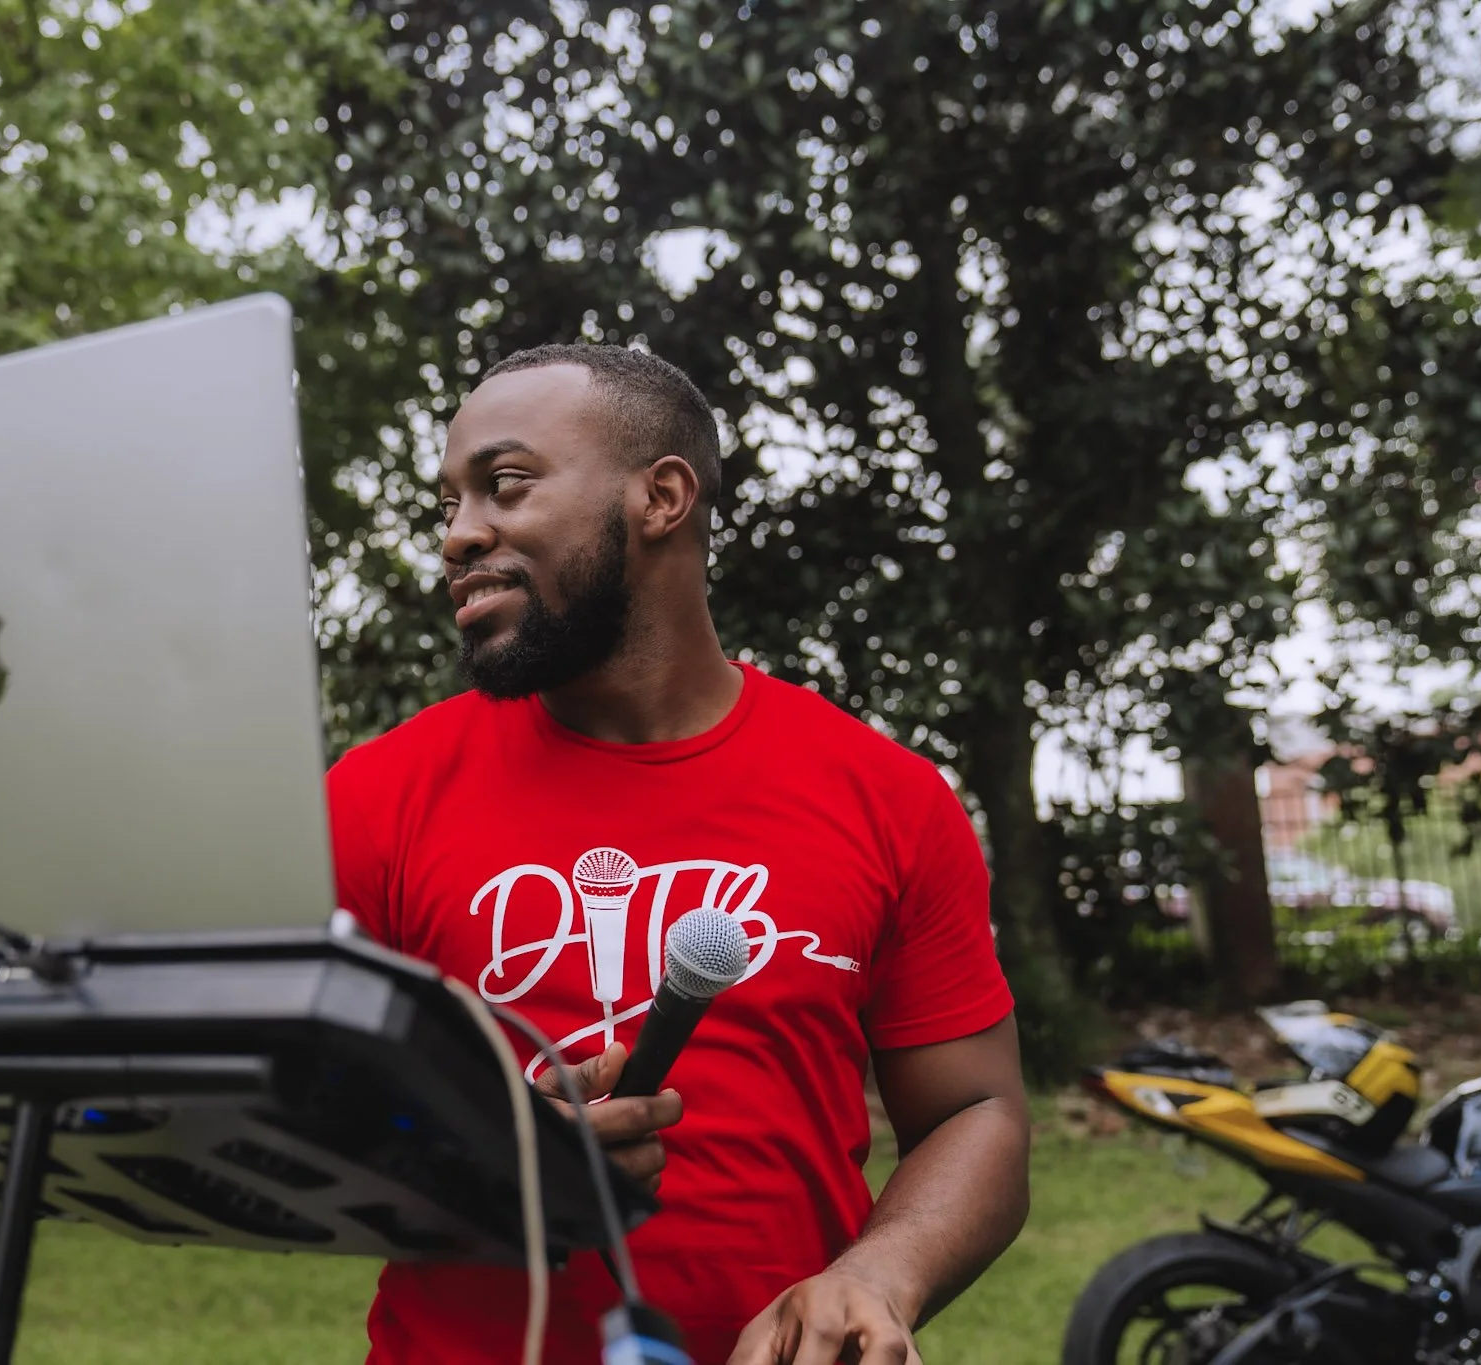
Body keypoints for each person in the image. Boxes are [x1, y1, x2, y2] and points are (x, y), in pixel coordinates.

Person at [324, 343, 1030, 1365]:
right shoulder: (376, 797)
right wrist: (471, 1154)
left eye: (503, 485)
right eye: (447, 503)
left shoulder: (885, 796)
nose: (457, 534)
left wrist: (876, 1275)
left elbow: (975, 1109)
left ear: (660, 497)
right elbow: (282, 1120)